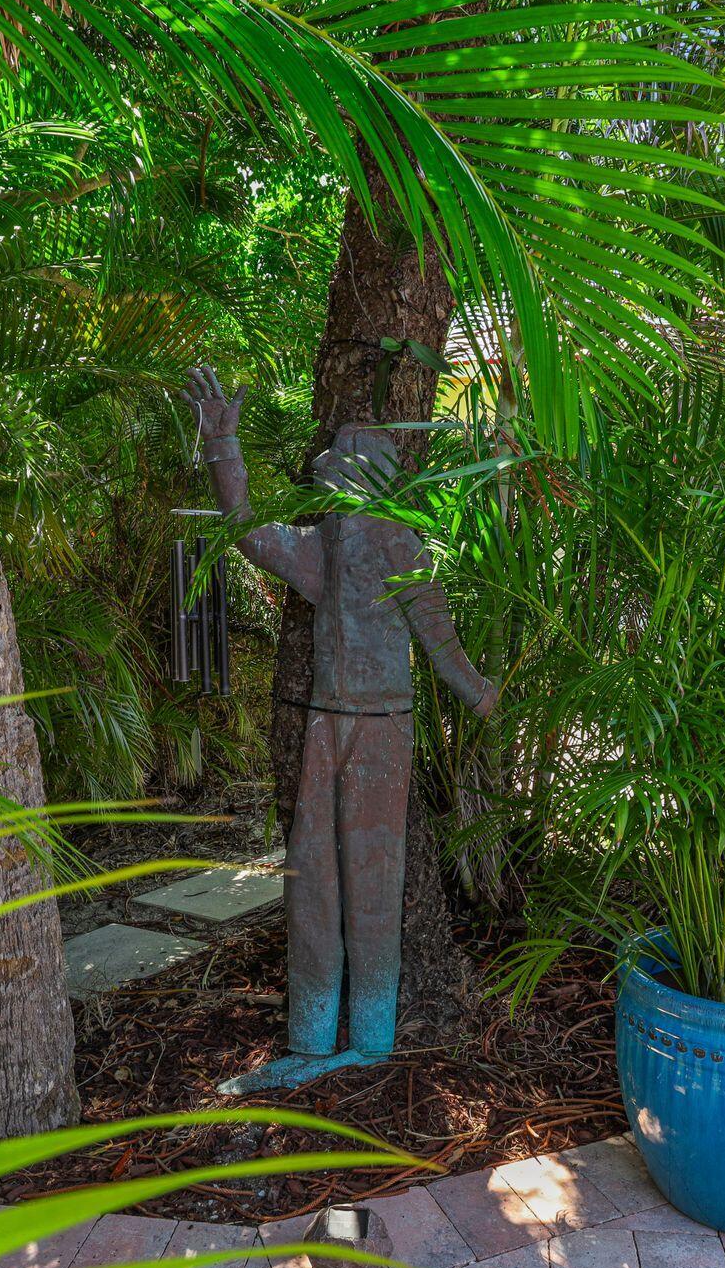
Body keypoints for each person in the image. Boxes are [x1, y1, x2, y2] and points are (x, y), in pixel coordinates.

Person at [183, 365, 498, 1090]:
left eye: (342, 467)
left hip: (383, 730)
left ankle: (373, 1036)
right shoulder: (327, 545)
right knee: (313, 879)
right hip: (330, 727)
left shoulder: (398, 547)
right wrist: (221, 450)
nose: (330, 478)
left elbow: (438, 635)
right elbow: (248, 531)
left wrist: (481, 695)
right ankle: (313, 1034)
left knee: (373, 880)